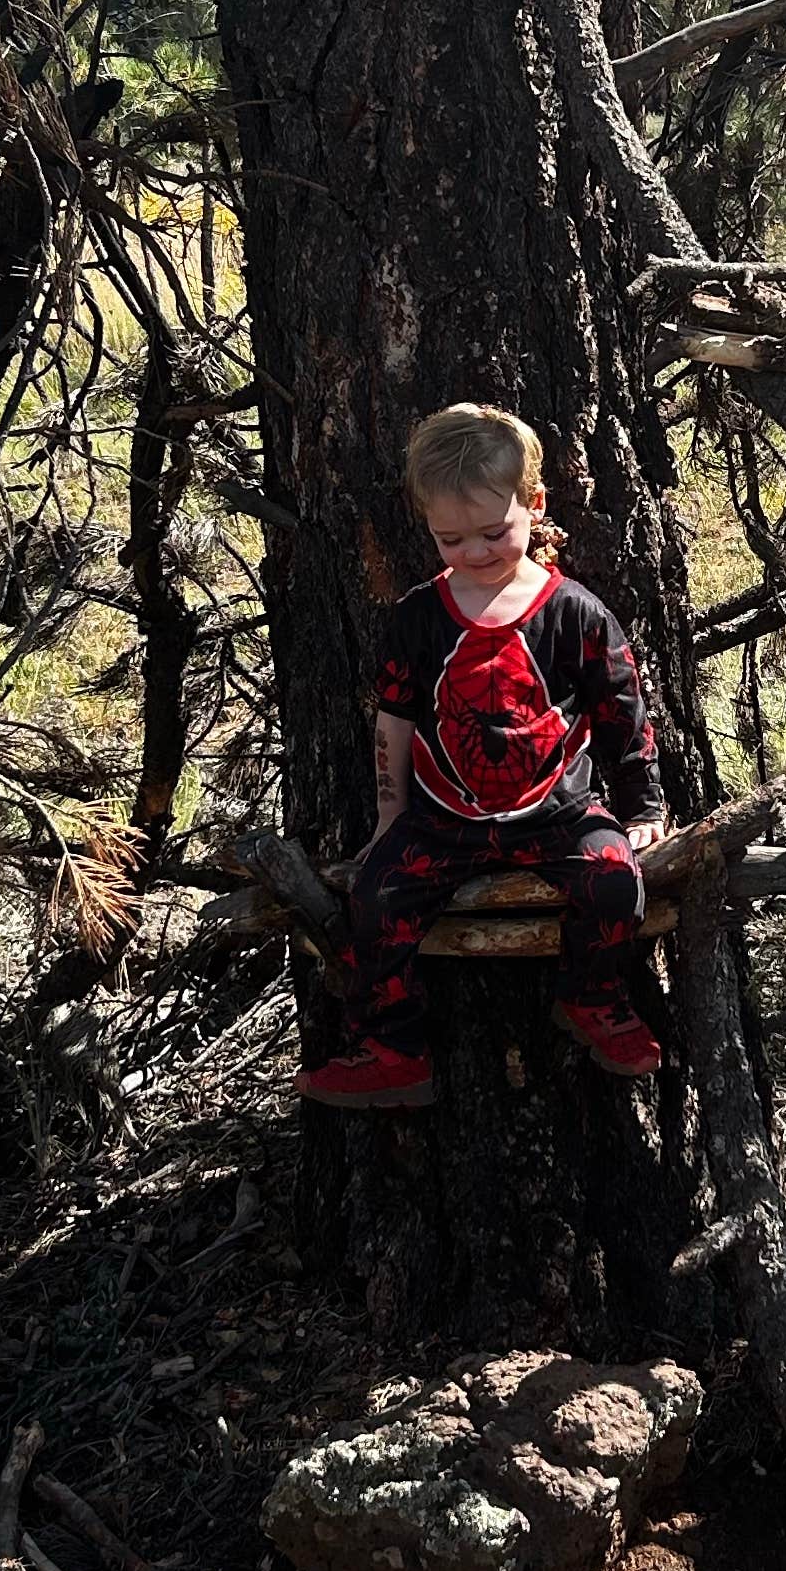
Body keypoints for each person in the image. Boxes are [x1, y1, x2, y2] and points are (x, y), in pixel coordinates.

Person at [297, 402, 668, 1108]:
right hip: (442, 821)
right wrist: (388, 818)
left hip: (560, 815)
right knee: (375, 897)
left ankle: (591, 996)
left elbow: (622, 712)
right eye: (451, 538)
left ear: (535, 505)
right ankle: (392, 1046)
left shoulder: (576, 612)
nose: (474, 551)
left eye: (494, 532)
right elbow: (393, 722)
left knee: (616, 882)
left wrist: (642, 806)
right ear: (428, 527)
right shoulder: (417, 617)